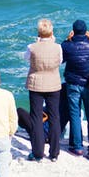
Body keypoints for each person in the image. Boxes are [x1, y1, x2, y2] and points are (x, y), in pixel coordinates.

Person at [61, 19, 89, 158]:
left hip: (73, 84)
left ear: (73, 31)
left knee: (75, 115)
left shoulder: (67, 46)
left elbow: (60, 59)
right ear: (86, 32)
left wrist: (67, 40)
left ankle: (77, 147)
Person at [25, 18, 63, 161]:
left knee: (36, 118)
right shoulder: (58, 47)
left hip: (36, 84)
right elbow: (59, 61)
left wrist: (38, 43)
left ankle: (38, 153)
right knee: (54, 117)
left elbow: (26, 58)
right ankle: (54, 153)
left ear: (38, 33)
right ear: (51, 32)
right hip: (53, 84)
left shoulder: (32, 47)